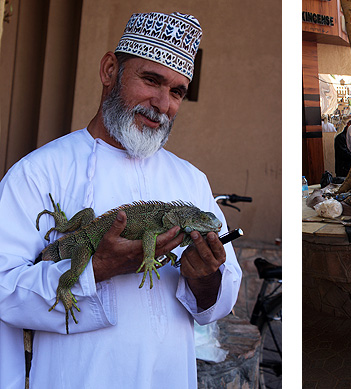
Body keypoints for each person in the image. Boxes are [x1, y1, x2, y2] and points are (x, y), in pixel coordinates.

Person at [0, 12, 242, 388]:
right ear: (110, 70)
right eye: (151, 80)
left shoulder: (192, 182)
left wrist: (205, 279)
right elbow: (4, 292)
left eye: (177, 91)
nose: (162, 103)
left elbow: (218, 301)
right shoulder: (38, 173)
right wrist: (97, 267)